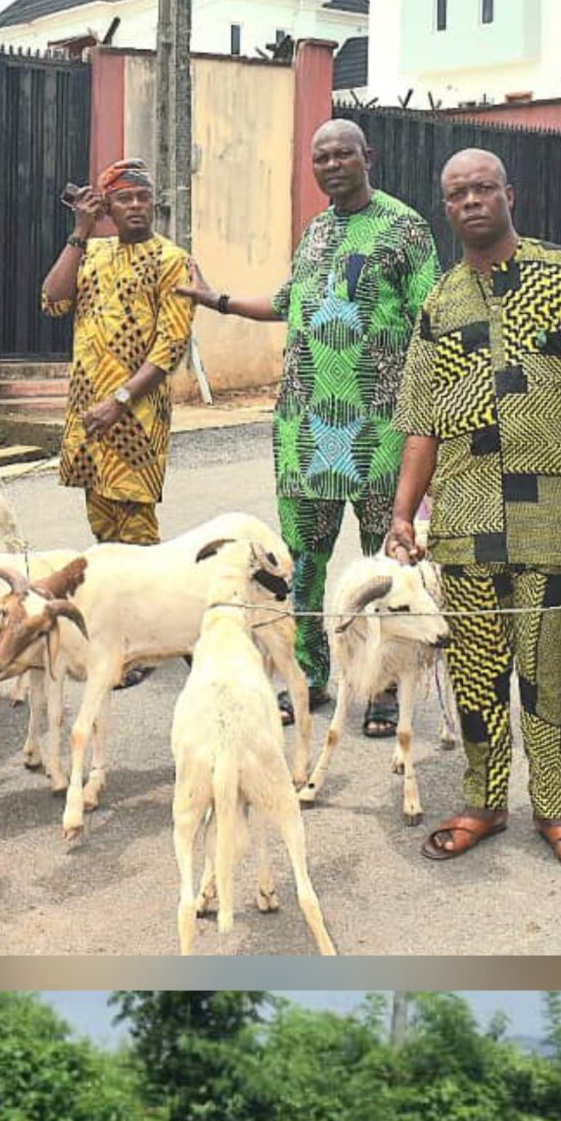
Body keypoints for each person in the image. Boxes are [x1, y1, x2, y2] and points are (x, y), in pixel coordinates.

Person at [387, 148, 561, 877]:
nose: (471, 201)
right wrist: (402, 514)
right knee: (478, 675)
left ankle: (555, 808)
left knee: (550, 673)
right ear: (446, 207)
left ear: (509, 194)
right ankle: (483, 803)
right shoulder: (440, 303)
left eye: (483, 188)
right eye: (457, 193)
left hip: (554, 517)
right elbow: (421, 420)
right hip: (465, 519)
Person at [179, 118, 438, 723]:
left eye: (343, 154)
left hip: (380, 428)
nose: (331, 165)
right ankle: (310, 677)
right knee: (301, 562)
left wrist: (431, 420)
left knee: (385, 564)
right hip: (304, 429)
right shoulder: (316, 231)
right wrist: (217, 300)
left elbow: (431, 321)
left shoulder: (405, 228)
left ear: (368, 156)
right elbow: (287, 300)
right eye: (321, 157)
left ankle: (381, 687)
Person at [41, 157, 195, 546]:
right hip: (90, 414)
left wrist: (119, 401)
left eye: (144, 197)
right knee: (103, 531)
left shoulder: (172, 261)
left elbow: (171, 346)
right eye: (125, 199)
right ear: (107, 206)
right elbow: (52, 301)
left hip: (136, 417)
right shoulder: (91, 252)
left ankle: (147, 591)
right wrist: (81, 231)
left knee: (138, 535)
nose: (137, 205)